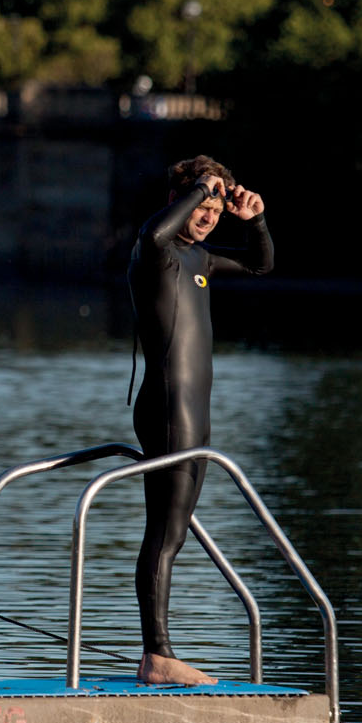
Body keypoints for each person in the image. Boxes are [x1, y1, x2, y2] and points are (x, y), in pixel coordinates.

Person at [126, 155, 273, 685]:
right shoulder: (157, 253)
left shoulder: (201, 261)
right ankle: (158, 655)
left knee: (174, 533)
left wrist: (252, 217)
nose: (209, 213)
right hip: (167, 409)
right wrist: (201, 186)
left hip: (192, 414)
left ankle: (158, 655)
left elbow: (260, 265)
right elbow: (151, 231)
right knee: (164, 535)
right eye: (201, 203)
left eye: (216, 206)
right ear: (178, 201)